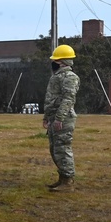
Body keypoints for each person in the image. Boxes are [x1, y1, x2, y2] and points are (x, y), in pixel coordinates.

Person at [43, 44, 80, 191]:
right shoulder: (58, 76)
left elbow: (68, 99)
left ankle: (68, 181)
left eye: (56, 61)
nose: (54, 63)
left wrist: (59, 118)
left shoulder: (70, 77)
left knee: (63, 149)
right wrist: (47, 117)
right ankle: (62, 178)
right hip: (54, 118)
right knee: (55, 149)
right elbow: (51, 99)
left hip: (63, 119)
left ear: (63, 62)